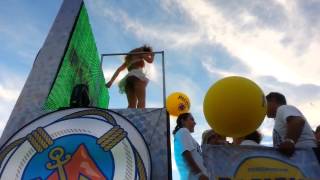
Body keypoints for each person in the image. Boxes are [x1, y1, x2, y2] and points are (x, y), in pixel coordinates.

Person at [266, 92, 317, 156]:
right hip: (302, 157)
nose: (263, 108)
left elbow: (297, 121)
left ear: (273, 100)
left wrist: (289, 141)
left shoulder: (282, 108)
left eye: (265, 103)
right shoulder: (279, 116)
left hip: (307, 155)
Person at [173, 113, 209, 180]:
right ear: (183, 121)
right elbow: (186, 153)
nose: (195, 123)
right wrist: (199, 174)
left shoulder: (184, 134)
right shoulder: (183, 131)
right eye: (192, 119)